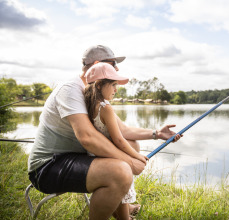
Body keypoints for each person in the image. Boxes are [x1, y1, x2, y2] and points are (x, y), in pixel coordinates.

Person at [28, 45, 181, 220]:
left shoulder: (94, 94)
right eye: (113, 64)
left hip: (75, 157)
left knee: (130, 145)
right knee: (121, 171)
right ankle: (119, 208)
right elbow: (88, 138)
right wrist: (130, 162)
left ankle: (119, 207)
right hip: (48, 167)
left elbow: (123, 131)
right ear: (97, 65)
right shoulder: (70, 89)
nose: (116, 68)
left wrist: (157, 133)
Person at [83, 62, 147, 219]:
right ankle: (124, 218)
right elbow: (119, 139)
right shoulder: (106, 107)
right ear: (99, 85)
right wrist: (136, 156)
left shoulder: (89, 104)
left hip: (94, 155)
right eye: (113, 85)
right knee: (125, 172)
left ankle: (124, 215)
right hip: (107, 156)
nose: (116, 90)